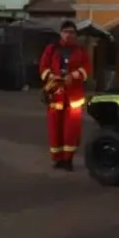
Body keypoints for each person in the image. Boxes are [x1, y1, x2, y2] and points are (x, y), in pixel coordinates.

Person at [39, 20, 92, 171]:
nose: (69, 35)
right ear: (61, 33)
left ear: (75, 35)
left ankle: (68, 160)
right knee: (55, 129)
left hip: (73, 97)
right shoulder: (51, 49)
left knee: (71, 131)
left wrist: (74, 75)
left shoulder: (80, 51)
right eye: (66, 32)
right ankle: (57, 159)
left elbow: (87, 68)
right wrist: (51, 77)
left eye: (72, 32)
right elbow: (43, 66)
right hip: (55, 95)